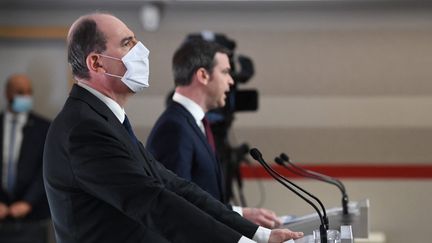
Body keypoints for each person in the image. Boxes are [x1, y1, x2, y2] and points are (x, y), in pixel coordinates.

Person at [43, 13, 303, 243]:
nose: (140, 50)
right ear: (97, 63)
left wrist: (258, 234)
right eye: (127, 43)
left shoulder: (106, 119)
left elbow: (175, 187)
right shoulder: (83, 128)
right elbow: (154, 202)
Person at [146, 40, 282, 229]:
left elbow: (200, 196)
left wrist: (240, 214)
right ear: (203, 75)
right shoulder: (173, 127)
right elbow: (178, 205)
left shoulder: (194, 122)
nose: (231, 81)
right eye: (225, 72)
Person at [0, 74, 51, 242]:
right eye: (20, 92)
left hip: (33, 216)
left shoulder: (45, 128)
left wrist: (28, 202)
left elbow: (47, 168)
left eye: (29, 92)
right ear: (7, 94)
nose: (26, 97)